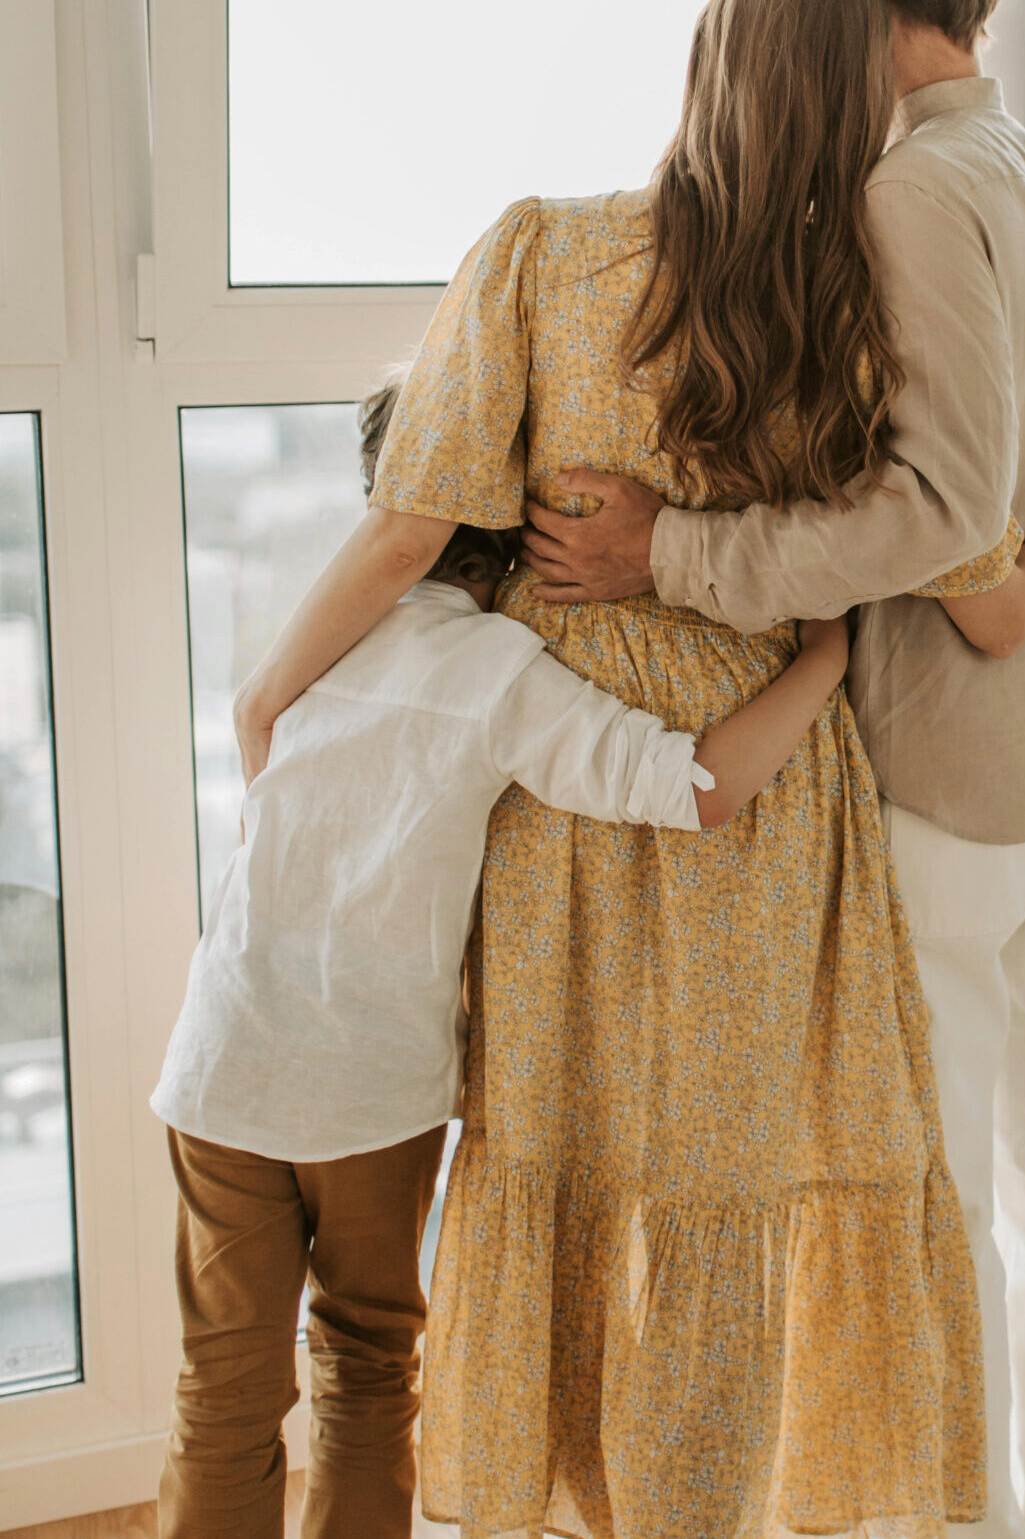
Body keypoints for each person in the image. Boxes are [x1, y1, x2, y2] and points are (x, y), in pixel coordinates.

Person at [230, 0, 1025, 1538]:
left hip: (566, 790)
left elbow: (407, 522)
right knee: (722, 1193)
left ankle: (570, 1505)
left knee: (558, 1160)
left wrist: (268, 691)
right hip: (769, 792)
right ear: (859, 101)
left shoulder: (541, 250)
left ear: (698, 67)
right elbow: (976, 575)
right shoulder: (849, 309)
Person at [522, 0, 1025, 1539]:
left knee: (934, 1201)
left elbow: (936, 506)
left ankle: (964, 1523)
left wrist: (672, 554)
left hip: (944, 774)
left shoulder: (911, 191)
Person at [151, 382, 853, 1539]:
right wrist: (824, 653)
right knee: (365, 1363)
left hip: (224, 1053)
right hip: (367, 1084)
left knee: (221, 1388)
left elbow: (263, 743)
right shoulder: (495, 670)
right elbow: (697, 786)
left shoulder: (316, 632)